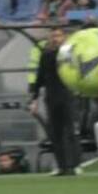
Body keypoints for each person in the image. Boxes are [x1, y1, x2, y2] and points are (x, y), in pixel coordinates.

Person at [29, 27, 80, 175]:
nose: (56, 39)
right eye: (53, 36)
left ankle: (73, 165)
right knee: (55, 133)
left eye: (58, 36)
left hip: (68, 96)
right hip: (51, 97)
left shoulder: (70, 54)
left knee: (70, 131)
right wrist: (34, 98)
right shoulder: (46, 55)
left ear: (64, 37)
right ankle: (62, 166)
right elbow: (40, 78)